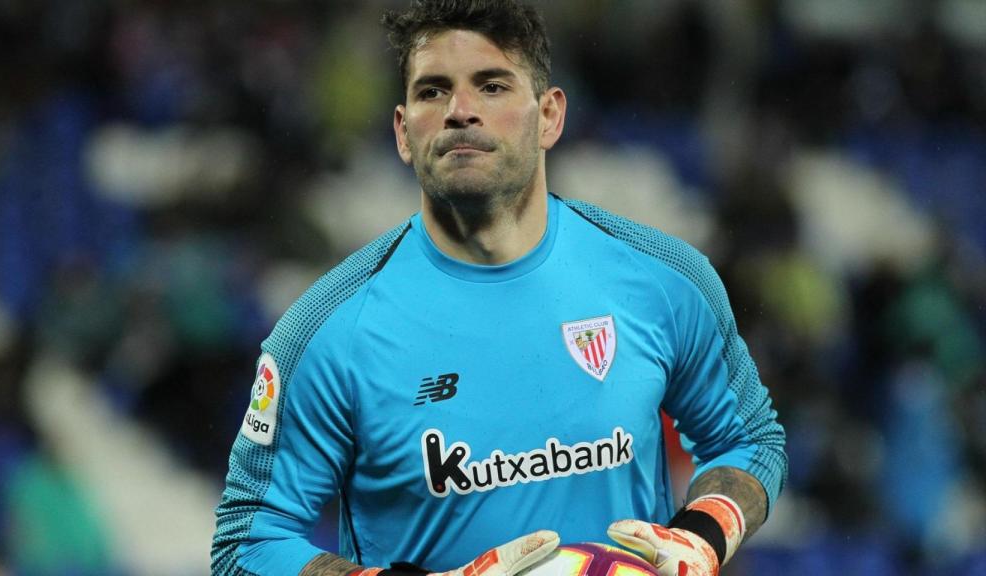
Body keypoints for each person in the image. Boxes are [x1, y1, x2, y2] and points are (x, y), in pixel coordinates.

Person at [211, 1, 787, 575]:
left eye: (491, 86)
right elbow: (245, 544)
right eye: (433, 92)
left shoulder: (663, 281)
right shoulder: (329, 332)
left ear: (550, 116)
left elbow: (751, 440)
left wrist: (703, 536)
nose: (461, 111)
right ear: (403, 131)